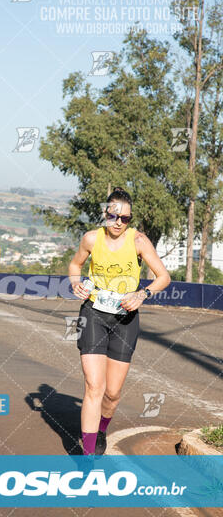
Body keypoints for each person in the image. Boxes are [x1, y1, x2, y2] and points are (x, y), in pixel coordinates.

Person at [68, 187, 171, 456]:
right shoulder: (91, 239)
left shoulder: (138, 241)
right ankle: (88, 454)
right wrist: (76, 283)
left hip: (125, 320)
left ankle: (101, 428)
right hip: (93, 314)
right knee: (94, 386)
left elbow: (163, 276)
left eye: (124, 218)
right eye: (113, 216)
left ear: (129, 219)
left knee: (111, 394)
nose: (118, 222)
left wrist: (142, 294)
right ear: (105, 213)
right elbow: (75, 265)